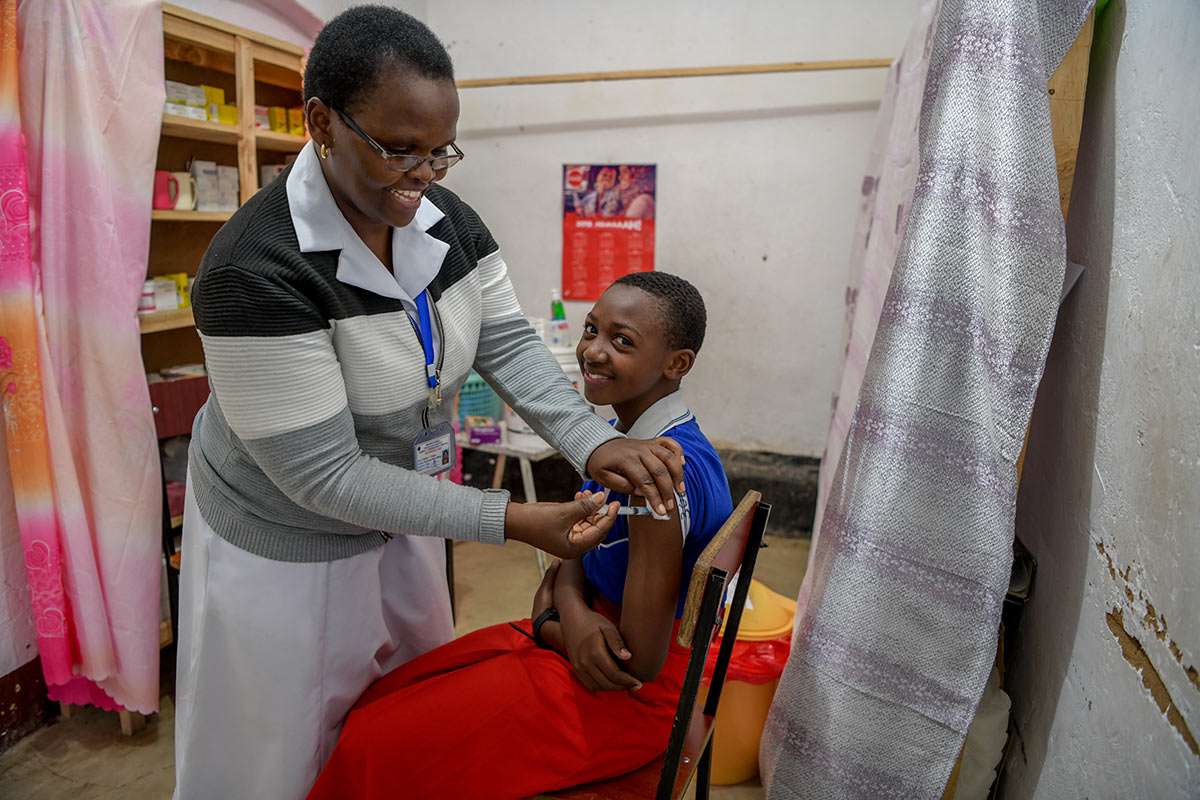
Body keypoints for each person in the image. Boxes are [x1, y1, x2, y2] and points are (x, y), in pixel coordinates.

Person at [173, 8, 688, 800]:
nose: (424, 173)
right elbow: (325, 478)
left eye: (440, 150)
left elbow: (506, 341)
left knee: (407, 717)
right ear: (321, 122)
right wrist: (510, 521)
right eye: (398, 149)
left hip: (406, 511)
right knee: (286, 752)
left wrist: (591, 441)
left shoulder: (444, 218)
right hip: (289, 541)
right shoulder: (254, 270)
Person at [306, 272, 732, 800]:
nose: (593, 352)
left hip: (627, 694)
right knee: (385, 695)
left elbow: (636, 662)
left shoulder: (657, 475)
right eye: (591, 330)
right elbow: (577, 545)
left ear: (677, 363)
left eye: (622, 341)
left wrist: (556, 617)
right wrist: (569, 607)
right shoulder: (623, 442)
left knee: (373, 743)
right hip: (590, 635)